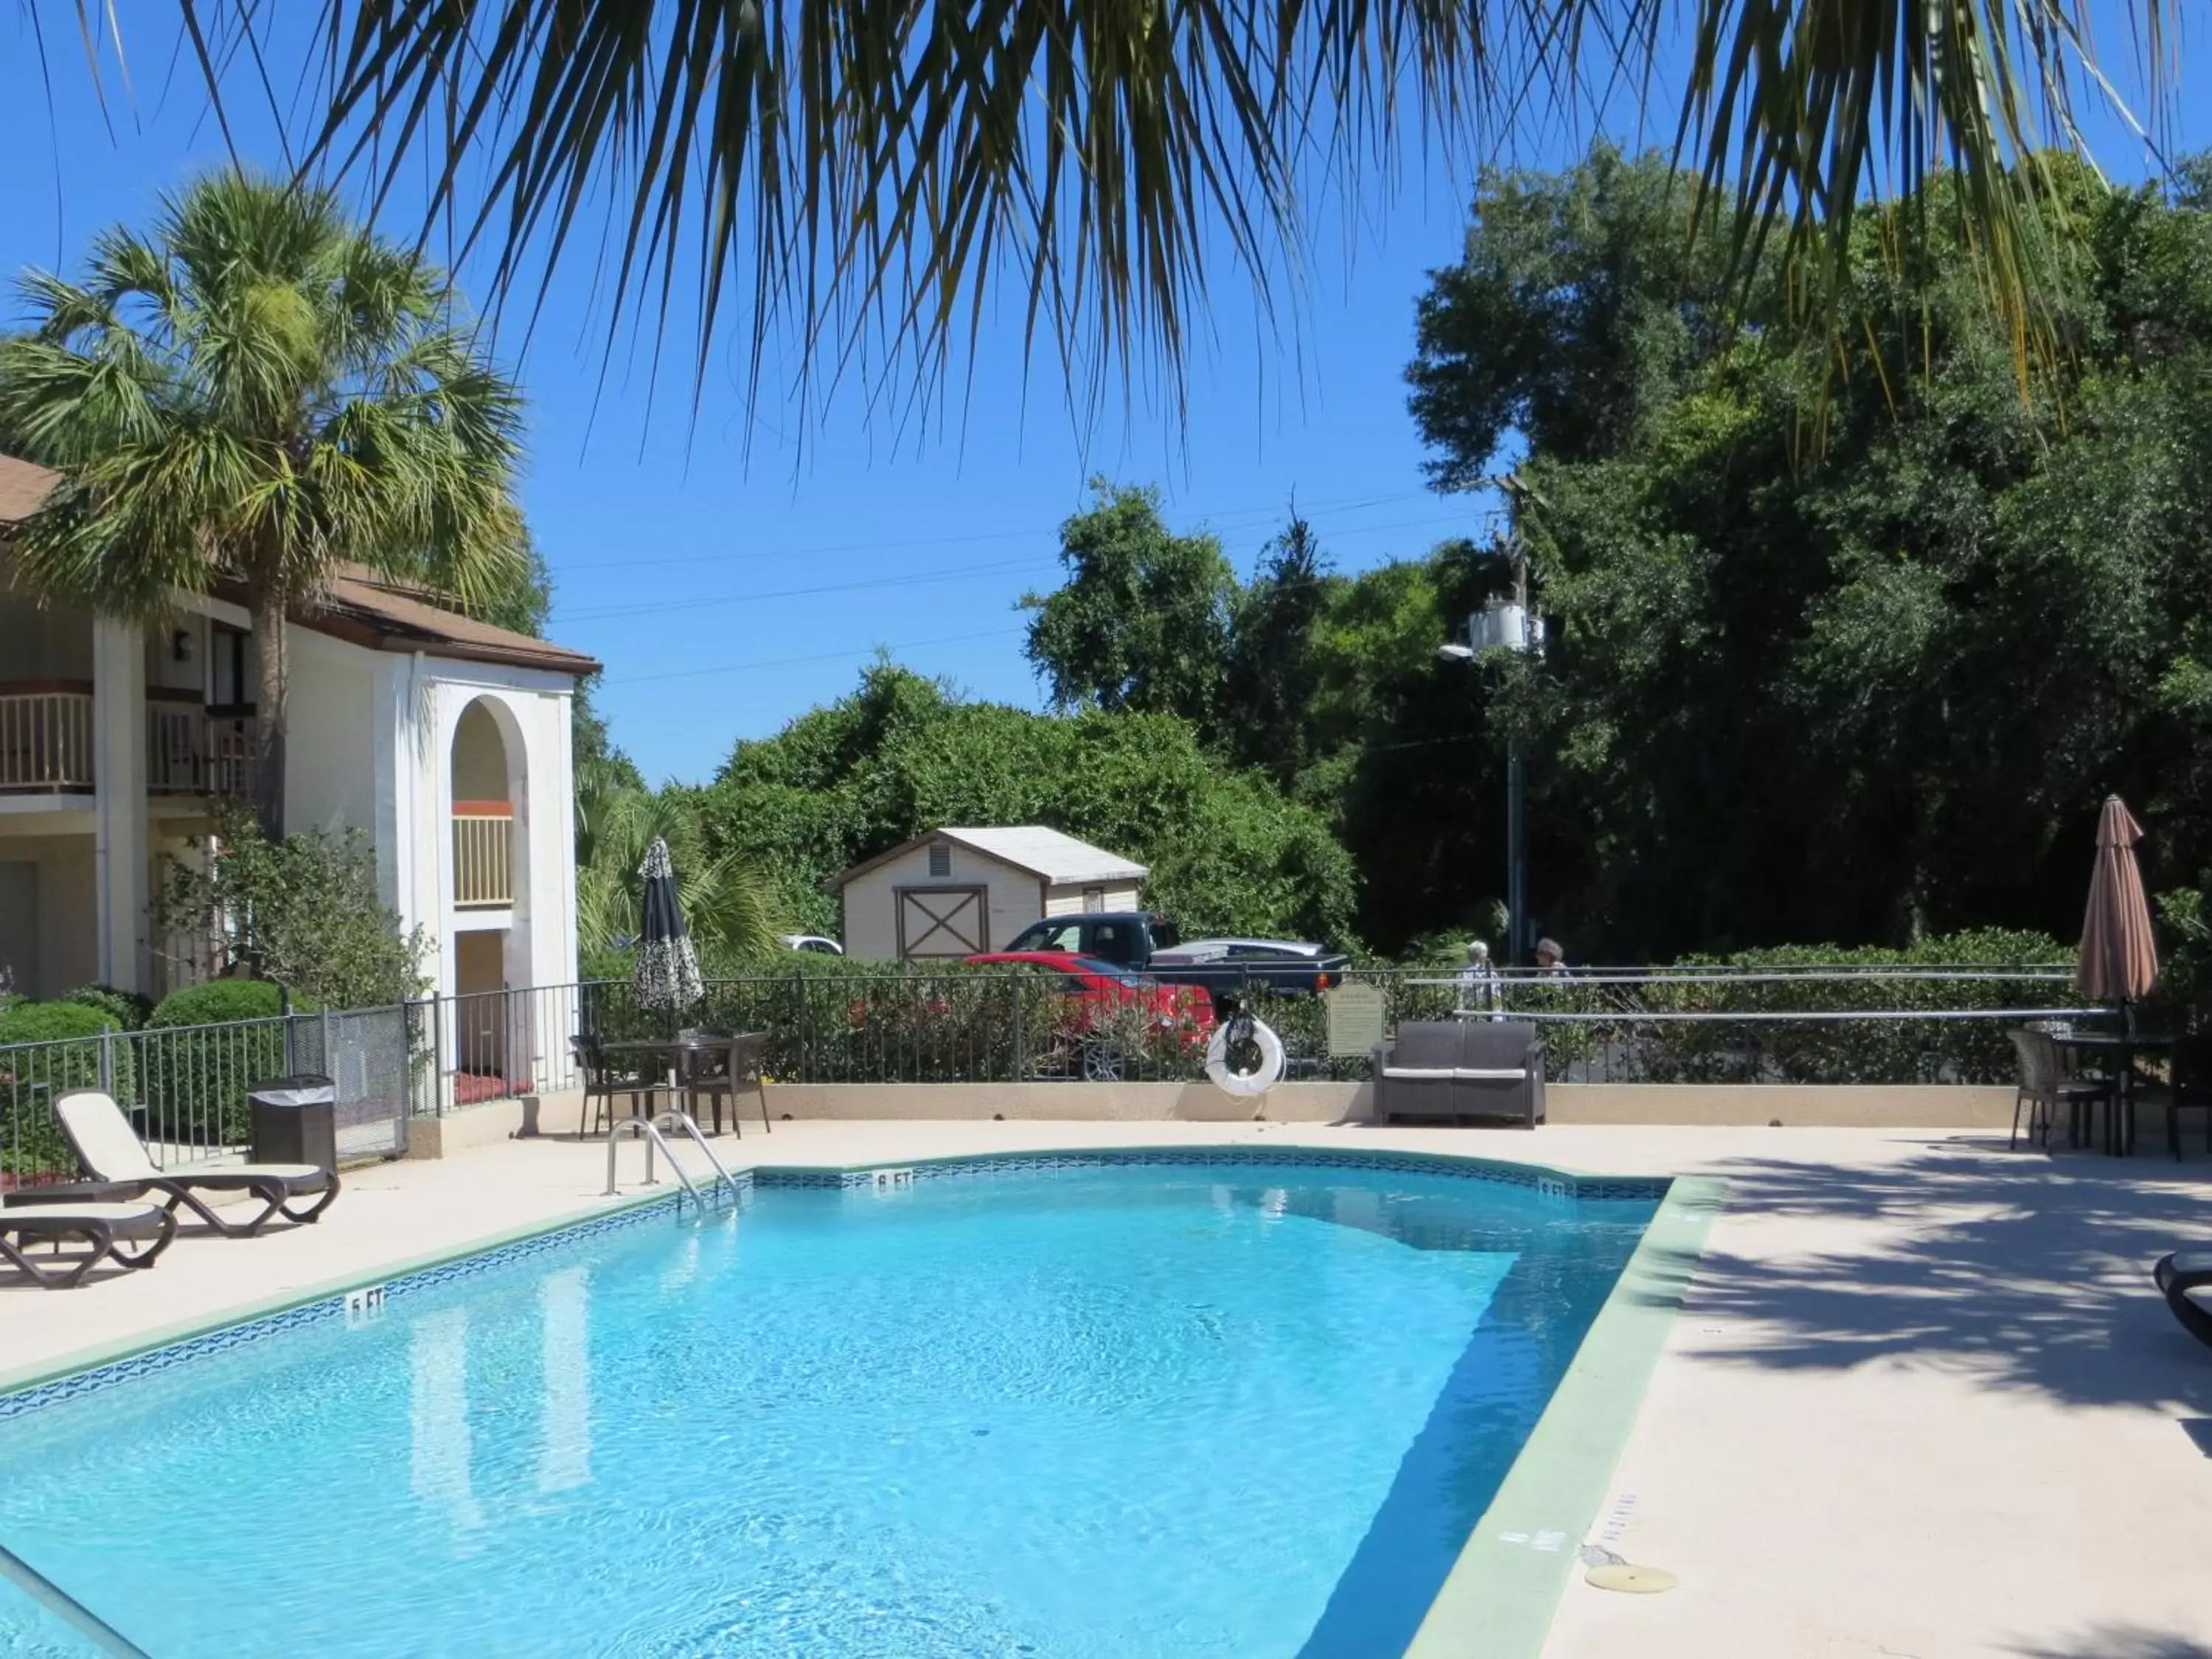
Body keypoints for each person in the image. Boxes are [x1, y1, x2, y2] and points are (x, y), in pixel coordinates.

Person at [1456, 939, 1501, 1015]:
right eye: (1484, 952)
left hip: (1470, 1011)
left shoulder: (1463, 972)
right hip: (1484, 1011)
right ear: (1479, 955)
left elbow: (1461, 995)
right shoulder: (1490, 973)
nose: (1486, 955)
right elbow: (1495, 995)